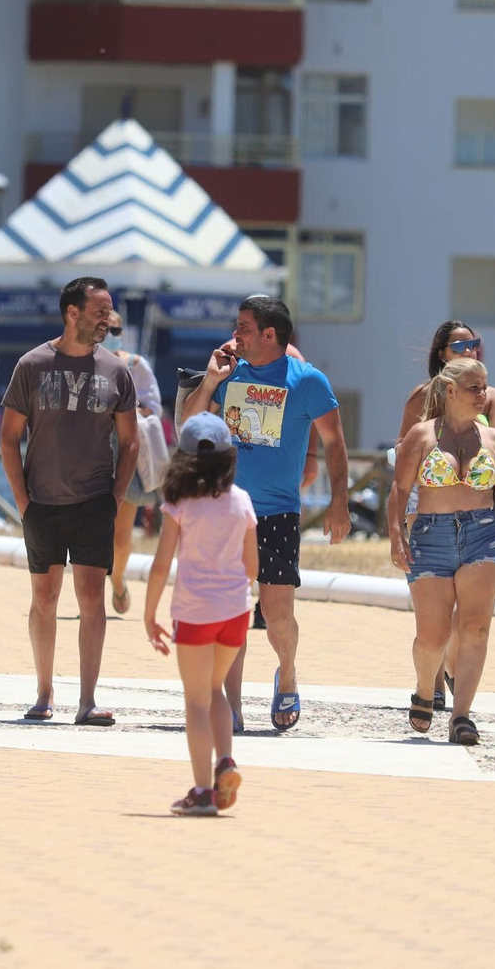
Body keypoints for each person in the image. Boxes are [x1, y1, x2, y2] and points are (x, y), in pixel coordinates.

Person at [182, 295, 351, 731]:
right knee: (231, 611)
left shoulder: (307, 380)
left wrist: (338, 503)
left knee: (276, 615)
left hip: (278, 515)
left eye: (243, 327)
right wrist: (209, 381)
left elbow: (334, 442)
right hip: (227, 512)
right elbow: (189, 426)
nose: (235, 334)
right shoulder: (228, 372)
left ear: (269, 335)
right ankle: (232, 708)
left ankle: (287, 672)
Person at [0, 277, 138, 726]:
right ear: (72, 313)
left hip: (94, 501)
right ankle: (44, 693)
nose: (107, 319)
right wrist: (22, 499)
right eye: (99, 311)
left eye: (109, 311)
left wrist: (115, 497)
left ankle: (87, 700)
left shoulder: (117, 370)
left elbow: (130, 441)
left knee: (91, 596)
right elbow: (8, 438)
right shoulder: (33, 364)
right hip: (42, 501)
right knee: (44, 596)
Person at [390, 358, 495, 744]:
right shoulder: (420, 437)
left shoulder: (493, 440)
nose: (483, 395)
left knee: (475, 627)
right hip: (429, 537)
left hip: (482, 535)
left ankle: (462, 715)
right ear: (451, 391)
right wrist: (395, 536)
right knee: (433, 637)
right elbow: (400, 491)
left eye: (485, 387)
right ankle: (425, 688)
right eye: (475, 388)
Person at [143, 412, 257, 817]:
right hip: (235, 613)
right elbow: (252, 567)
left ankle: (203, 790)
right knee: (215, 690)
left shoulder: (178, 504)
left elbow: (161, 564)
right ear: (228, 456)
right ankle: (225, 758)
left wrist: (149, 613)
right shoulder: (241, 501)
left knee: (194, 700)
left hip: (195, 612)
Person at [395, 320, 495, 707]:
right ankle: (434, 685)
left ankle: (453, 677)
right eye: (459, 345)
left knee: (470, 616)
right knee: (436, 614)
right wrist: (404, 522)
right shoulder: (422, 396)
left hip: (476, 509)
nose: (468, 350)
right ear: (441, 353)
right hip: (426, 503)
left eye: (474, 344)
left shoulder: (491, 397)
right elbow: (403, 452)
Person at [105, 310, 164, 615]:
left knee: (120, 531)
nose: (108, 334)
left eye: (114, 329)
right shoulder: (74, 364)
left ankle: (117, 580)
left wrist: (123, 410)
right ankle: (89, 589)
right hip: (84, 454)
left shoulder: (136, 366)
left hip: (122, 452)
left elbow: (154, 410)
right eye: (103, 327)